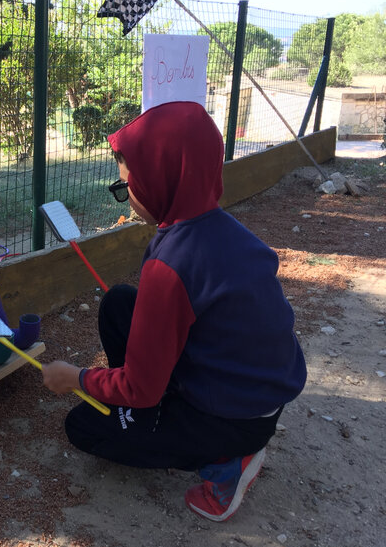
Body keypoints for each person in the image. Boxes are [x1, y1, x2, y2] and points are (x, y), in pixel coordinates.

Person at [41, 101, 306, 522]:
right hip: (254, 385)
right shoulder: (216, 227)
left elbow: (141, 385)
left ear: (162, 179)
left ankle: (226, 465)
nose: (125, 196)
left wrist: (75, 378)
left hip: (236, 417)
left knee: (83, 427)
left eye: (128, 185)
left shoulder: (172, 266)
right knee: (118, 304)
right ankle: (154, 415)